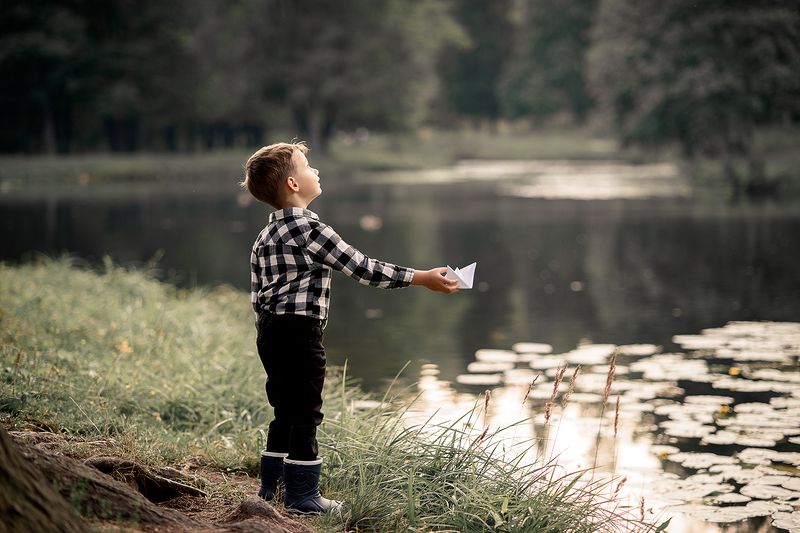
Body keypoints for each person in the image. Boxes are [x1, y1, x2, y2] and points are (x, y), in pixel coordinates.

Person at [241, 141, 459, 515]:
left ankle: (272, 487)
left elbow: (258, 293)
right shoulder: (310, 230)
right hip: (300, 332)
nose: (316, 172)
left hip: (270, 331)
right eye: (308, 167)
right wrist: (421, 277)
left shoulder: (265, 236)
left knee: (285, 408)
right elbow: (363, 267)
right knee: (307, 409)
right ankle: (303, 496)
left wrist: (268, 328)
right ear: (293, 184)